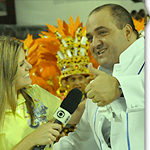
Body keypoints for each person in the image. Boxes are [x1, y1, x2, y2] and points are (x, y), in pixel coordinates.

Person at [53, 3, 145, 150]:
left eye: (102, 32)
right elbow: (81, 142)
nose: (95, 44)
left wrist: (119, 88)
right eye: (90, 38)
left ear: (127, 32)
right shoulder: (98, 83)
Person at [0, 36, 62, 150]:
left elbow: (76, 112)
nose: (29, 66)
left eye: (26, 61)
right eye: (21, 64)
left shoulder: (34, 93)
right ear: (5, 72)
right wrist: (32, 139)